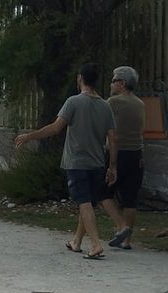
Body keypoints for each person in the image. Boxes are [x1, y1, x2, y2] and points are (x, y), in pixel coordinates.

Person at [15, 63, 118, 260]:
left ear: (80, 78)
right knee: (86, 201)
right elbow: (113, 138)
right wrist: (113, 166)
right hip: (97, 163)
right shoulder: (106, 106)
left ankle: (96, 244)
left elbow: (55, 128)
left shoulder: (73, 102)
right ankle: (76, 241)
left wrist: (29, 136)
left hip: (77, 162)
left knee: (84, 203)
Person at [101, 66, 145, 250]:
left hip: (117, 152)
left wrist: (112, 163)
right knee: (130, 198)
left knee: (103, 193)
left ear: (122, 83)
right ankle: (127, 241)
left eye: (114, 81)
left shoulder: (113, 102)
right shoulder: (140, 104)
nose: (111, 84)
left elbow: (105, 127)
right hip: (136, 153)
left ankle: (121, 226)